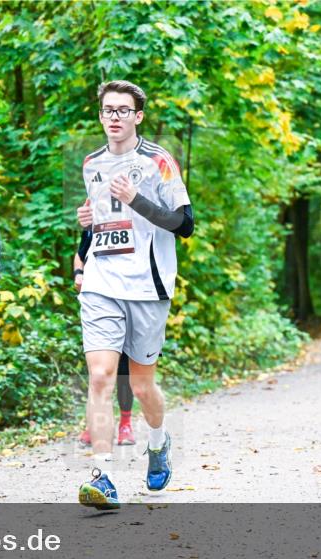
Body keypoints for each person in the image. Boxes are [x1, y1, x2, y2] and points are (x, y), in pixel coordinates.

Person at [75, 80, 194, 510]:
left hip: (148, 285)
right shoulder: (92, 164)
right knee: (102, 377)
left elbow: (184, 224)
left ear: (138, 116)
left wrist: (136, 198)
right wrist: (83, 237)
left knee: (142, 386)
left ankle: (158, 442)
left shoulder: (159, 161)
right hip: (102, 283)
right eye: (108, 109)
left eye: (124, 110)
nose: (115, 117)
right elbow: (98, 227)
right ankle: (102, 476)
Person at [74, 233, 136, 447]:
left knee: (124, 367)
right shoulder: (96, 220)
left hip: (130, 297)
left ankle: (125, 423)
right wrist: (78, 274)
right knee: (98, 372)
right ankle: (95, 425)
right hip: (98, 298)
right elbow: (79, 254)